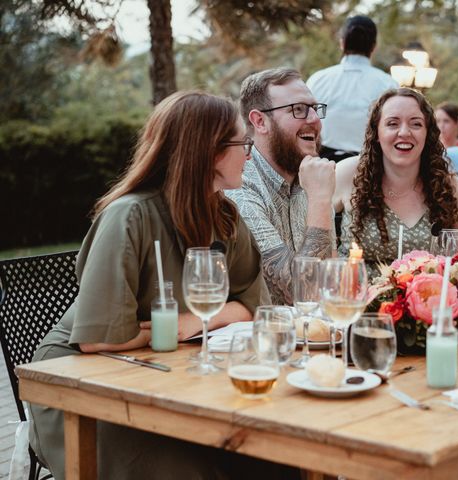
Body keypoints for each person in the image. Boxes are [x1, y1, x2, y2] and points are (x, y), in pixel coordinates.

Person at [27, 91, 299, 480]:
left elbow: (254, 305)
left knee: (276, 458)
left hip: (169, 370)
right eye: (242, 143)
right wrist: (175, 332)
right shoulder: (129, 217)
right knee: (189, 469)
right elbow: (99, 339)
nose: (250, 153)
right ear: (208, 152)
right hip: (81, 383)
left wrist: (185, 324)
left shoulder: (224, 215)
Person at [333, 88, 458, 276]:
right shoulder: (348, 173)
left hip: (425, 302)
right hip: (355, 301)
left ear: (427, 134)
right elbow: (309, 232)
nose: (404, 132)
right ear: (376, 132)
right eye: (392, 124)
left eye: (416, 124)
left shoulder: (449, 186)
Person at [225, 68, 335, 305]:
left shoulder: (312, 179)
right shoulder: (239, 186)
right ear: (260, 121)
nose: (314, 120)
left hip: (314, 336)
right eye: (298, 109)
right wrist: (320, 200)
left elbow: (330, 283)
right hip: (259, 337)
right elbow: (301, 293)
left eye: (314, 109)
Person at [307, 15, 398, 161]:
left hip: (324, 162)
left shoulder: (318, 80)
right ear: (374, 46)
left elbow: (307, 121)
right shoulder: (388, 84)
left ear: (342, 43)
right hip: (370, 165)